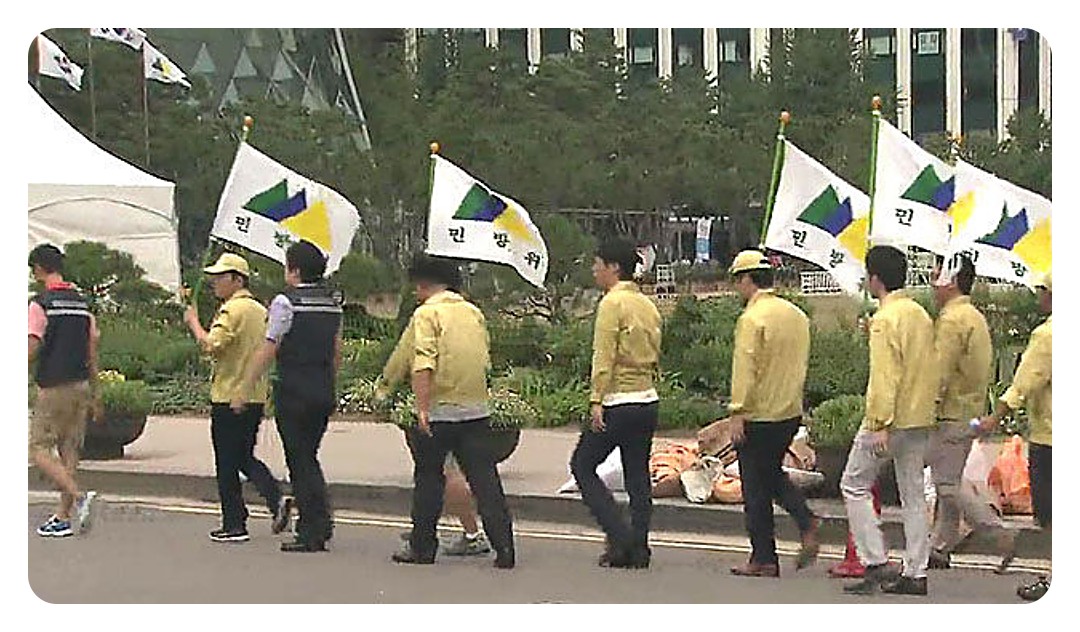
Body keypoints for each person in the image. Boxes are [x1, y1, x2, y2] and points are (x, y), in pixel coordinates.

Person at [386, 254, 515, 569]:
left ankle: (422, 547)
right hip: (476, 409)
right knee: (486, 481)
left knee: (429, 479)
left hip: (441, 410)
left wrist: (419, 406)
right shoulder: (473, 312)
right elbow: (484, 357)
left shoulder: (426, 314)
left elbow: (422, 361)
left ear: (423, 284)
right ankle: (505, 547)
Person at [233, 241, 342, 553]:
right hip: (322, 388)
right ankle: (319, 521)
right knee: (308, 456)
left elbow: (271, 346)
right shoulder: (332, 302)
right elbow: (337, 348)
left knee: (300, 459)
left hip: (294, 389)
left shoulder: (286, 302)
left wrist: (244, 386)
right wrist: (330, 381)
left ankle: (313, 529)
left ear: (294, 270)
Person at [842, 245, 937, 596]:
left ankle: (875, 559)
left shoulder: (884, 320)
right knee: (913, 494)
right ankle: (916, 571)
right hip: (919, 416)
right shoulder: (919, 314)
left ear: (875, 279)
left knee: (854, 484)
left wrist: (879, 422)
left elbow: (884, 376)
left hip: (889, 420)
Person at [183, 252, 292, 543]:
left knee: (227, 463)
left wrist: (193, 322)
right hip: (254, 395)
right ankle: (274, 498)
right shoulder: (259, 310)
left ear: (237, 279)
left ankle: (234, 523)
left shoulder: (231, 311)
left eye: (220, 277)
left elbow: (212, 344)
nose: (215, 283)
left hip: (228, 394)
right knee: (243, 456)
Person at [725, 250, 818, 578]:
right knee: (769, 475)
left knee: (754, 487)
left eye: (737, 281)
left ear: (746, 279)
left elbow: (745, 369)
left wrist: (737, 411)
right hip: (789, 411)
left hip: (759, 413)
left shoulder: (752, 319)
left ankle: (765, 556)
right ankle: (803, 523)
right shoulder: (796, 315)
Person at [570, 238, 662, 569]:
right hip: (646, 398)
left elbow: (604, 355)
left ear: (614, 267)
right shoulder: (647, 304)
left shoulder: (612, 303)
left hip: (617, 400)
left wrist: (596, 399)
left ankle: (619, 535)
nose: (594, 270)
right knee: (637, 475)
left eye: (598, 264)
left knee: (582, 466)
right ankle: (640, 547)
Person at [926, 253, 1014, 571]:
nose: (932, 284)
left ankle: (997, 532)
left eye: (935, 276)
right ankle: (940, 547)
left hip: (951, 413)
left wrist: (927, 407)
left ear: (950, 281)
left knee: (947, 484)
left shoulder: (952, 320)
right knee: (949, 478)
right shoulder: (974, 316)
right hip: (971, 410)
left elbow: (939, 372)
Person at [980, 271, 1052, 601]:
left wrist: (994, 417)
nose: (1039, 297)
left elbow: (1024, 384)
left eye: (1043, 291)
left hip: (1050, 437)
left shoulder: (1048, 335)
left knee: (1051, 516)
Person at [27, 244, 100, 537]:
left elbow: (32, 344)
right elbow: (92, 347)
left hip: (53, 384)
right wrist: (96, 392)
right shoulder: (82, 304)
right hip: (80, 384)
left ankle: (79, 497)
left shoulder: (41, 304)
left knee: (38, 448)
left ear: (38, 269)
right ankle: (62, 517)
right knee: (69, 448)